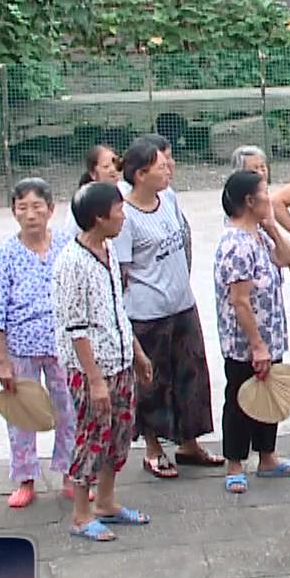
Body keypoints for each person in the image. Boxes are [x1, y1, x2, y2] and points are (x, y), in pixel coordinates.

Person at [54, 181, 156, 542]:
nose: (123, 216)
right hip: (92, 369)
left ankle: (107, 501)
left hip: (121, 361)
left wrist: (138, 353)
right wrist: (95, 379)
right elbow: (75, 327)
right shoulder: (71, 262)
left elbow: (117, 310)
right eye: (117, 211)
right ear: (99, 217)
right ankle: (81, 514)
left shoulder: (109, 251)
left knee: (119, 435)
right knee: (92, 436)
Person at [115, 136, 220, 477]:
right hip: (147, 314)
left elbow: (184, 239)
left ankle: (189, 443)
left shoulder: (169, 198)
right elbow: (122, 271)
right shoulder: (126, 216)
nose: (169, 169)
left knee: (192, 375)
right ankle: (153, 448)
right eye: (162, 165)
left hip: (182, 304)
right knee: (152, 383)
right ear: (141, 174)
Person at [0, 178, 78, 508]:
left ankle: (71, 473)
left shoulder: (68, 244)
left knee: (69, 409)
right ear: (14, 213)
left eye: (37, 206)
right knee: (21, 414)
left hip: (63, 346)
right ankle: (25, 478)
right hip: (21, 348)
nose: (30, 214)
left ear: (51, 210)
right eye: (22, 207)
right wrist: (1, 360)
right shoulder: (6, 255)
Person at [213, 169, 290, 491]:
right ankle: (235, 462)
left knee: (268, 395)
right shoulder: (236, 244)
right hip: (247, 341)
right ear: (249, 201)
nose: (270, 198)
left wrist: (273, 229)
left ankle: (268, 456)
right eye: (264, 193)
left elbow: (288, 258)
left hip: (271, 333)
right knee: (240, 398)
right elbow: (239, 301)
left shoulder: (259, 234)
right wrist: (256, 345)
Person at [63, 144, 123, 234]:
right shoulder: (83, 200)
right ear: (93, 173)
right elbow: (70, 234)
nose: (113, 170)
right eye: (106, 167)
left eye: (115, 164)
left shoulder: (125, 190)